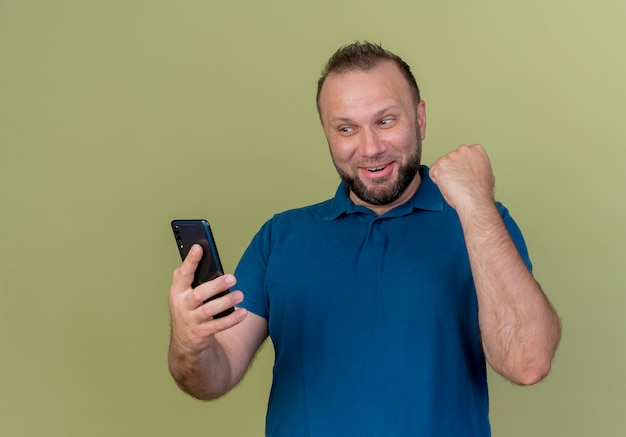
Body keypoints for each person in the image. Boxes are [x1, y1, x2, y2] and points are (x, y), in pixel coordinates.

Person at [168, 41, 561, 436]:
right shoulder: (280, 236)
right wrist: (190, 342)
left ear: (420, 118)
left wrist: (476, 204)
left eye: (386, 121)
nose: (370, 148)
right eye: (346, 129)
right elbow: (212, 378)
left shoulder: (481, 223)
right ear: (326, 132)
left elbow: (527, 363)